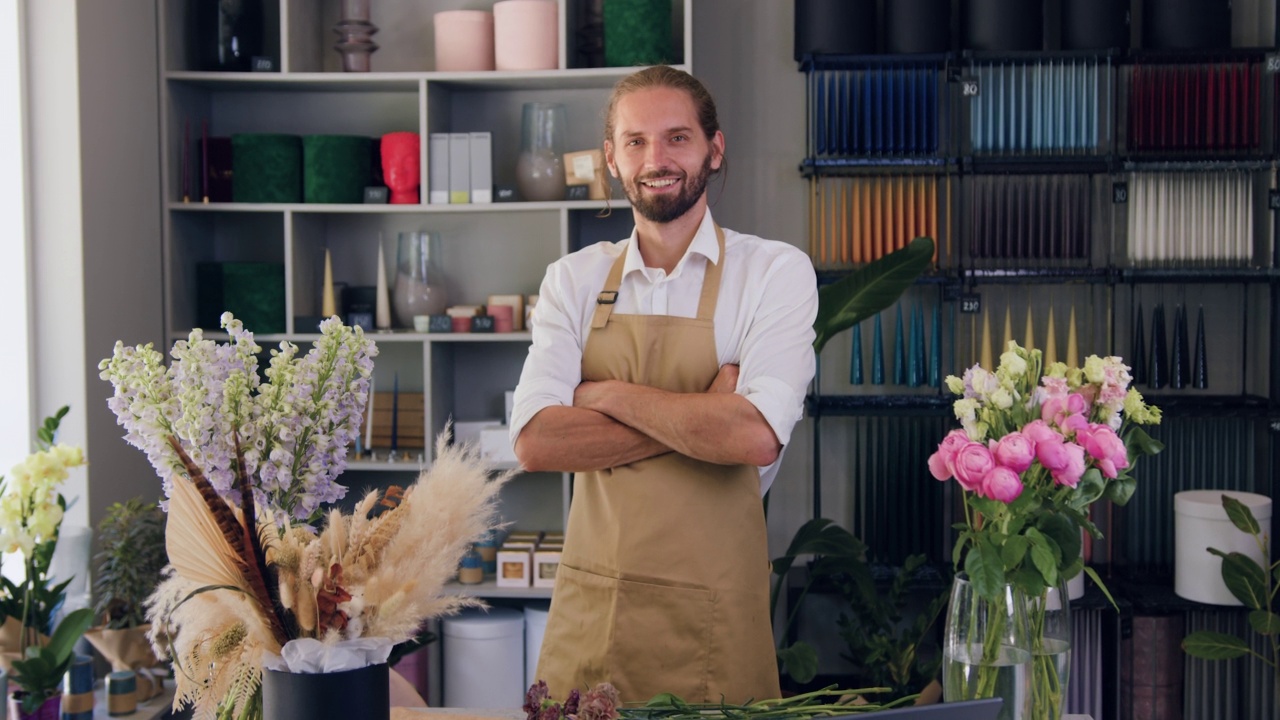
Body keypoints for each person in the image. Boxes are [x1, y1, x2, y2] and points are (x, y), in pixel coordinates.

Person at [509, 65, 817, 704]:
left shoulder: (773, 273)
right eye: (636, 141)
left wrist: (607, 395)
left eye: (678, 138)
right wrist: (707, 413)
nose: (657, 159)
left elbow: (756, 435)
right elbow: (538, 443)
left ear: (715, 148)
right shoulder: (572, 279)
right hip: (596, 604)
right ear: (612, 160)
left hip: (714, 616)